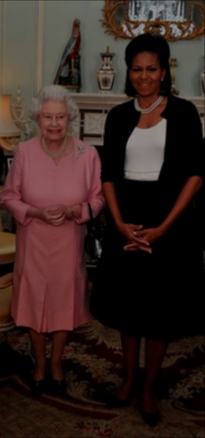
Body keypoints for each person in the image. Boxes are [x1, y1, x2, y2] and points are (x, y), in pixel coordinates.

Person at [90, 33, 203, 427]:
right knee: (128, 308)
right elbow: (107, 175)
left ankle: (150, 385)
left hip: (169, 221)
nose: (143, 76)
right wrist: (119, 223)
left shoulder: (185, 112)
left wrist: (164, 228)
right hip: (127, 219)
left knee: (159, 311)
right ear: (129, 71)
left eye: (151, 69)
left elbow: (195, 175)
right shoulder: (119, 116)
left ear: (164, 71)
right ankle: (129, 377)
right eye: (136, 69)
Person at [0, 84, 104, 395]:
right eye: (48, 117)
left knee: (63, 302)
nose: (55, 123)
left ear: (70, 118)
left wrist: (76, 210)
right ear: (37, 119)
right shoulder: (25, 152)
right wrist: (36, 212)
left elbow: (98, 200)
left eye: (60, 117)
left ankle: (56, 362)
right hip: (34, 239)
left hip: (69, 241)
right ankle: (40, 363)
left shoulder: (89, 155)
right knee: (33, 301)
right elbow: (8, 196)